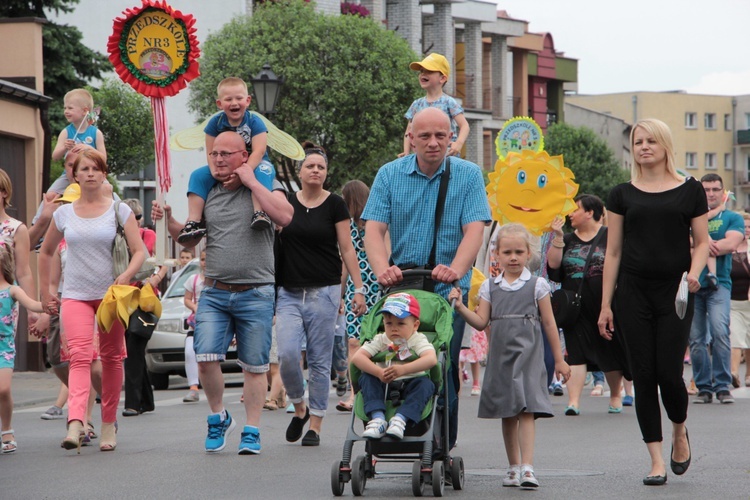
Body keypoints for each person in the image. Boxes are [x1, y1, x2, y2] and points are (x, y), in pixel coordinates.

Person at [152, 131, 293, 455]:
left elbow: (286, 217)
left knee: (255, 367)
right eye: (214, 153)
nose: (218, 159)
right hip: (214, 291)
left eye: (226, 154)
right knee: (204, 359)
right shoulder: (207, 191)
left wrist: (252, 181)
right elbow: (188, 240)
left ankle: (252, 429)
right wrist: (171, 220)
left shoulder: (265, 186)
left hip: (256, 291)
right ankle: (219, 416)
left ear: (244, 156)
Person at [363, 107, 491, 451]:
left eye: (441, 135)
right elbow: (373, 229)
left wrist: (457, 270)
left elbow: (474, 230)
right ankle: (387, 427)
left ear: (452, 137)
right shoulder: (389, 174)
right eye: (425, 136)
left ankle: (440, 447)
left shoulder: (468, 175)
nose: (433, 143)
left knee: (443, 367)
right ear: (412, 139)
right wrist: (381, 270)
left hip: (446, 289)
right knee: (390, 356)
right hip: (401, 284)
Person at [598, 118, 709, 485]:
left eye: (651, 141)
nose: (644, 146)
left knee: (669, 375)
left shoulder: (690, 190)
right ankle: (656, 459)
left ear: (664, 144)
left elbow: (702, 242)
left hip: (674, 291)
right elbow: (612, 252)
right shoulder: (621, 194)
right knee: (643, 375)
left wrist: (694, 273)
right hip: (632, 292)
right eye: (638, 141)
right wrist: (606, 304)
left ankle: (679, 430)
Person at [39, 149, 147, 453]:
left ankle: (108, 423)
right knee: (80, 356)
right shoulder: (63, 213)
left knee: (112, 359)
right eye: (83, 169)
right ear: (74, 175)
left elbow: (140, 251)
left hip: (110, 297)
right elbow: (46, 252)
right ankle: (75, 421)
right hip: (74, 296)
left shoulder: (119, 210)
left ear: (104, 173)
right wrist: (49, 289)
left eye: (95, 169)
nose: (89, 173)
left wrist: (126, 275)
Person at [448, 223, 570, 488]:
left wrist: (559, 359)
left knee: (527, 410)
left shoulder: (538, 286)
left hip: (529, 357)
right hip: (501, 357)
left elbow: (549, 323)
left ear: (528, 254)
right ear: (497, 255)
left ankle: (528, 467)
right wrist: (458, 306)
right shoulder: (489, 287)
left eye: (518, 252)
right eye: (507, 252)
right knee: (508, 411)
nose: (513, 257)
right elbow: (481, 322)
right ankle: (513, 467)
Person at [276, 142, 366, 447]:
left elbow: (347, 248)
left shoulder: (336, 204)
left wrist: (358, 288)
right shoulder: (286, 202)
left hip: (325, 291)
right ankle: (299, 407)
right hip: (288, 291)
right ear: (300, 171)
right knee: (287, 354)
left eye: (321, 167)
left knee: (318, 360)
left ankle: (315, 423)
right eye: (310, 166)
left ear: (326, 174)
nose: (316, 170)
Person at [547, 195, 628, 415]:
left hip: (606, 305)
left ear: (590, 212)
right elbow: (553, 270)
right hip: (575, 308)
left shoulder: (610, 236)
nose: (570, 214)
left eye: (575, 209)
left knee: (609, 350)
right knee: (575, 352)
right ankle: (573, 401)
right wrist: (556, 237)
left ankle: (614, 396)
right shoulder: (567, 239)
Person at [178, 77, 277, 243]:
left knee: (264, 171)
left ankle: (260, 212)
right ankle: (194, 221)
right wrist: (215, 172)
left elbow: (259, 151)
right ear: (219, 103)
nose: (234, 103)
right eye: (228, 99)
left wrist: (244, 174)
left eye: (239, 98)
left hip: (254, 164)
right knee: (198, 175)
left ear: (248, 100)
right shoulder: (214, 124)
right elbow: (210, 153)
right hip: (225, 165)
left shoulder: (255, 122)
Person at [689, 173, 744, 405]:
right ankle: (703, 387)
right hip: (692, 283)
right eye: (706, 190)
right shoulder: (689, 216)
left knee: (720, 332)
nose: (710, 194)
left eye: (715, 189)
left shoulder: (732, 217)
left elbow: (732, 243)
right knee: (696, 338)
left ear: (722, 193)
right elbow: (679, 243)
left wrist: (700, 244)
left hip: (719, 283)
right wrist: (700, 244)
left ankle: (722, 385)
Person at [352, 293, 437, 440]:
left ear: (415, 325)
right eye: (389, 323)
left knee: (426, 384)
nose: (394, 329)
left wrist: (404, 369)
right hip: (384, 383)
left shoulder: (418, 339)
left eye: (401, 324)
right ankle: (378, 419)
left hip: (411, 382)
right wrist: (378, 372)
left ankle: (400, 419)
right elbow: (357, 358)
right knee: (366, 378)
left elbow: (431, 359)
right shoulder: (380, 339)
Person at [336, 180, 382, 412]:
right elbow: (345, 262)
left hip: (375, 286)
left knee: (373, 340)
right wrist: (341, 293)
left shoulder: (376, 223)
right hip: (361, 286)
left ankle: (369, 392)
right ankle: (357, 394)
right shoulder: (347, 227)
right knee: (354, 341)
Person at [0, 245, 44, 454]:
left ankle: (7, 429)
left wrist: (48, 307)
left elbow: (32, 304)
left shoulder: (12, 290)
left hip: (4, 346)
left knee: (4, 389)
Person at [121, 198, 156, 417]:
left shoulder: (147, 235)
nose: (136, 222)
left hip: (143, 299)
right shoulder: (115, 237)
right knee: (134, 350)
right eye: (130, 218)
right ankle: (147, 399)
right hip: (121, 298)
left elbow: (146, 260)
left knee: (133, 348)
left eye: (139, 218)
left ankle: (132, 403)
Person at [400, 53, 469, 158]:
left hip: (446, 157)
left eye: (429, 71)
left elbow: (464, 126)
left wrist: (458, 144)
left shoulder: (448, 102)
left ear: (442, 78)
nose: (423, 74)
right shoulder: (417, 104)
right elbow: (409, 130)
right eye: (422, 71)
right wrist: (406, 152)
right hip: (423, 158)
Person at [51, 88, 106, 161]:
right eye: (65, 108)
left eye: (70, 108)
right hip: (70, 172)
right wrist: (65, 147)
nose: (66, 111)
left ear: (84, 111)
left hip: (89, 171)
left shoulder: (96, 133)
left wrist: (89, 148)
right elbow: (55, 157)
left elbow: (103, 159)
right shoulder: (65, 132)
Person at [729, 212, 750, 388]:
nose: (747, 230)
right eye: (744, 227)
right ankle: (734, 372)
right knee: (736, 336)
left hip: (749, 302)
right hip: (733, 302)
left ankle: (749, 375)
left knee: (749, 340)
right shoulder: (729, 247)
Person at [182, 250, 205, 403]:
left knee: (210, 358)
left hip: (214, 323)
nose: (205, 262)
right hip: (196, 323)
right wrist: (195, 308)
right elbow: (187, 299)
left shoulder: (218, 279)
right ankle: (193, 388)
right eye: (203, 259)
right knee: (190, 352)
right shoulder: (194, 279)